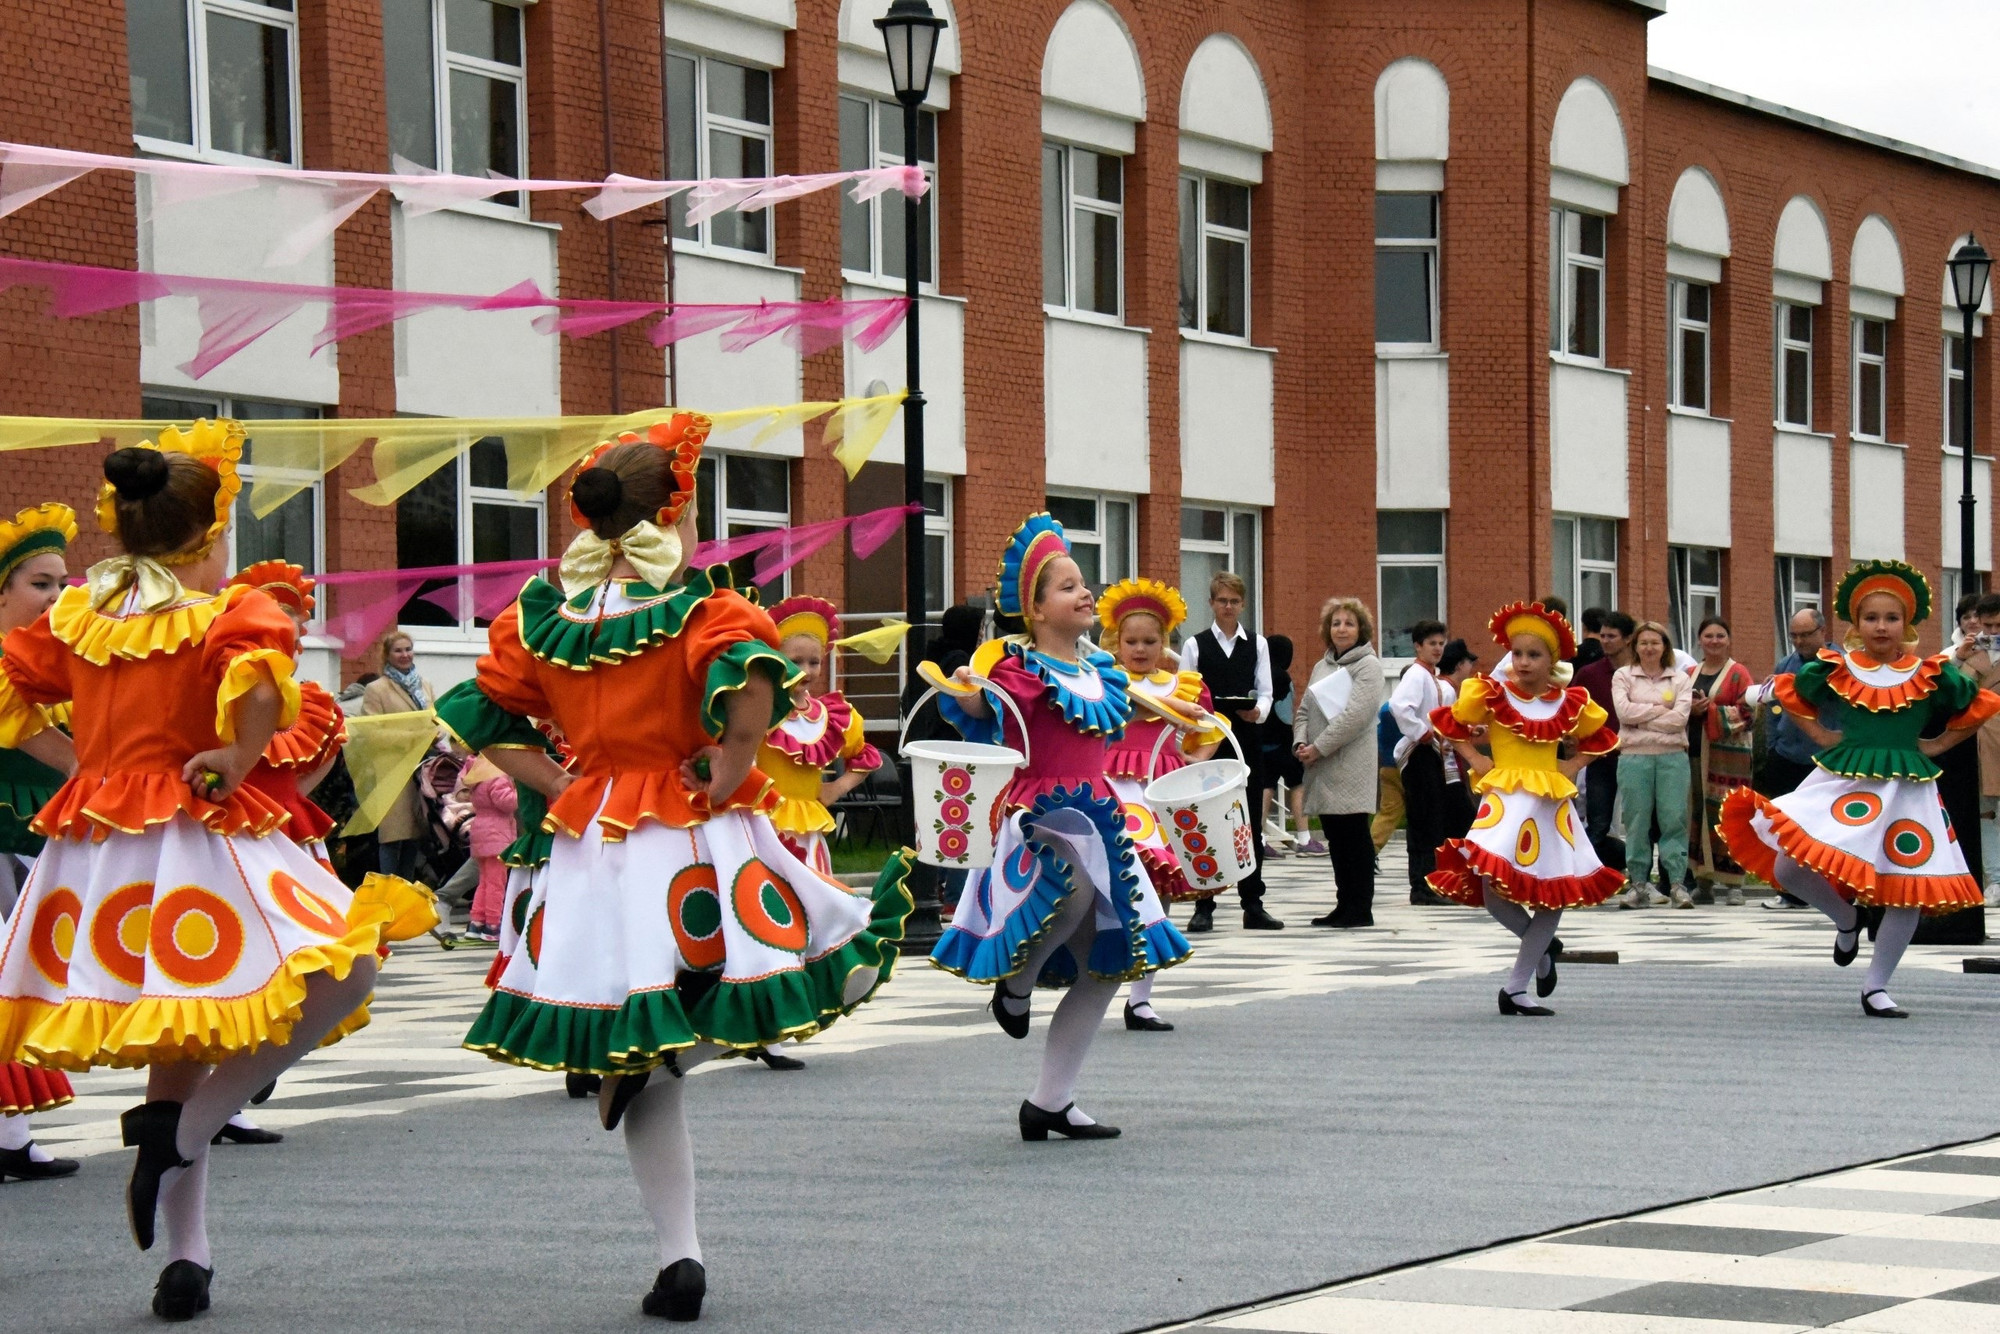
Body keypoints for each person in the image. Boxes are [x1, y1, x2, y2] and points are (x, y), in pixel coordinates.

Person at [437, 413, 911, 1319]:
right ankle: (672, 1163)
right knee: (790, 957)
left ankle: (680, 1254)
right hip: (690, 835)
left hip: (595, 836)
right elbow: (751, 700)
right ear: (678, 508)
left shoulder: (551, 610)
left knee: (639, 1030)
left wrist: (557, 777)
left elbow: (485, 710)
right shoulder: (703, 606)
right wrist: (727, 774)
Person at [0, 423, 433, 1318]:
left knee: (182, 1044)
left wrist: (76, 760)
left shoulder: (81, 615)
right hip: (199, 838)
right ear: (207, 536)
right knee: (342, 969)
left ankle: (186, 1248)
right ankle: (185, 1140)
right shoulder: (223, 612)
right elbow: (264, 685)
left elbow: (9, 682)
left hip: (107, 852)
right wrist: (234, 757)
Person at [929, 514, 1192, 1141]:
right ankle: (1015, 987)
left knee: (1108, 966)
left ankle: (1050, 1100)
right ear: (1037, 611)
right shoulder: (1018, 671)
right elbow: (971, 704)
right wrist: (966, 687)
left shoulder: (1100, 670)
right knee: (1070, 888)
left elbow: (1151, 701)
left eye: (1083, 583)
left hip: (1099, 815)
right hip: (1041, 814)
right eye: (1067, 586)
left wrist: (1187, 713)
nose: (1084, 593)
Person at [1717, 560, 1997, 1017]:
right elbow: (1790, 694)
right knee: (1789, 867)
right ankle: (1846, 917)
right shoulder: (1837, 668)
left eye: (1891, 618)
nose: (1881, 626)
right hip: (1844, 777)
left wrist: (1939, 742)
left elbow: (1975, 705)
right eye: (1871, 618)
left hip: (1907, 785)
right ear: (1855, 624)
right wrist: (1822, 736)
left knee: (1907, 886)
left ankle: (1876, 985)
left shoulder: (1929, 673)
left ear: (1907, 623)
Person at [1430, 601, 1622, 1015]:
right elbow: (1450, 724)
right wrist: (1477, 760)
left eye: (1533, 655)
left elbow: (1601, 736)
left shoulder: (1567, 701)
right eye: (1517, 654)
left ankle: (1516, 987)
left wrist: (1572, 763)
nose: (1523, 662)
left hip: (1549, 805)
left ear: (1552, 659)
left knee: (1552, 895)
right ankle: (1543, 949)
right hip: (1503, 802)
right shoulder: (1494, 694)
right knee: (1491, 886)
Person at [1095, 578, 1223, 1032]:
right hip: (1111, 784)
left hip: (1163, 787)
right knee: (1108, 878)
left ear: (1164, 642)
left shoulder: (1183, 684)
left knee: (1160, 886)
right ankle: (1094, 972)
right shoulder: (1104, 682)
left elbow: (1209, 730)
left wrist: (1195, 759)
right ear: (1116, 641)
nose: (1140, 649)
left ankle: (1141, 998)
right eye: (1131, 641)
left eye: (1150, 641)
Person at [0, 503, 79, 1183]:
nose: (56, 596)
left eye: (61, 583)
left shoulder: (59, 665)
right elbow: (60, 753)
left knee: (24, 978)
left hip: (33, 832)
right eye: (39, 583)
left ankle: (10, 1130)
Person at [1184, 572, 1284, 932]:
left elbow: (1267, 691)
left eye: (1235, 601)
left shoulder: (1256, 644)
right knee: (1204, 820)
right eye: (1222, 600)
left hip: (1245, 739)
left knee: (1249, 820)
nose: (1228, 607)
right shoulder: (1195, 645)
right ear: (1211, 603)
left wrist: (1259, 712)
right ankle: (1204, 904)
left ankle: (1253, 902)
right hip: (1209, 740)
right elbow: (1186, 691)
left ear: (1243, 604)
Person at [757, 595, 883, 878]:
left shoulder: (831, 716)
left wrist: (836, 787)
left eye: (814, 662)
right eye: (794, 661)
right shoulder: (758, 712)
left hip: (808, 830)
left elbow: (864, 756)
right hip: (759, 825)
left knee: (811, 898)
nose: (805, 671)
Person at [1293, 597, 1385, 927]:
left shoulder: (1369, 667)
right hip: (1322, 764)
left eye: (1348, 623)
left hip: (1350, 764)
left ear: (1361, 629)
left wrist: (1319, 747)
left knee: (1354, 836)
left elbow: (1355, 717)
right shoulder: (1323, 666)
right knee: (1335, 836)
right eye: (1335, 623)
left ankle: (1360, 908)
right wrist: (1301, 741)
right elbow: (1304, 709)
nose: (1341, 629)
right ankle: (1343, 903)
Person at [899, 604, 983, 917]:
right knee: (964, 823)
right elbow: (967, 690)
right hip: (953, 749)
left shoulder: (930, 655)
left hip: (926, 748)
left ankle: (936, 884)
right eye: (979, 629)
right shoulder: (959, 659)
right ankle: (955, 895)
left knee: (940, 821)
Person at [1757, 608, 1843, 910]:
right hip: (1787, 754)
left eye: (1805, 634)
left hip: (1827, 756)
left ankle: (1833, 889)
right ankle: (1792, 890)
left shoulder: (1840, 663)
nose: (1799, 641)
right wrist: (1774, 742)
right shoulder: (1786, 664)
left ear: (1822, 631)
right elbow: (1771, 704)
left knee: (1829, 828)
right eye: (1794, 635)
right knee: (1789, 827)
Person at [1609, 622, 1691, 909]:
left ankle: (1677, 883)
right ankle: (1638, 884)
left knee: (1674, 819)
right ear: (1635, 647)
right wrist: (1659, 712)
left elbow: (1679, 719)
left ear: (1665, 647)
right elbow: (1623, 712)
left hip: (1672, 758)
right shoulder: (1623, 676)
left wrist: (1641, 718)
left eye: (1655, 642)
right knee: (1636, 821)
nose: (1649, 648)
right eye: (1643, 643)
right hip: (1634, 757)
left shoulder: (1679, 679)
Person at [1686, 617, 1756, 905]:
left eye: (1720, 636)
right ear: (1699, 640)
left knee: (1728, 815)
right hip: (1695, 751)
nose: (1714, 641)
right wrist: (1690, 709)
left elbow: (1750, 710)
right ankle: (1703, 881)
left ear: (1729, 640)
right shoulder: (1689, 672)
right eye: (1708, 636)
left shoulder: (1739, 673)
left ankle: (1734, 883)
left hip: (1730, 759)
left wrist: (1711, 710)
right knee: (1698, 813)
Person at [361, 629, 437, 884]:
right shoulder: (376, 689)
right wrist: (412, 737)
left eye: (408, 649)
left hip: (421, 769)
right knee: (392, 837)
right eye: (398, 650)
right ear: (387, 655)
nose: (405, 655)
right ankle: (386, 892)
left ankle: (406, 893)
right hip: (392, 772)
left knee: (415, 836)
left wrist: (435, 733)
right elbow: (371, 733)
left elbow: (435, 719)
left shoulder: (425, 684)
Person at [1387, 619, 1452, 903]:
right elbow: (1399, 706)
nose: (1437, 649)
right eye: (1432, 644)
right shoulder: (1416, 674)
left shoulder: (1429, 676)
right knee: (1424, 819)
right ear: (1418, 646)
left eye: (1441, 643)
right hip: (1418, 753)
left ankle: (1430, 882)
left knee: (1432, 818)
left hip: (1430, 751)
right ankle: (1422, 885)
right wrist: (1422, 732)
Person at [1573, 610, 1635, 848]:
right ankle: (1592, 876)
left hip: (1637, 754)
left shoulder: (1641, 673)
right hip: (1601, 757)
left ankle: (1641, 876)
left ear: (1628, 639)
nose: (1605, 641)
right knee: (1598, 821)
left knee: (1640, 821)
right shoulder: (1590, 673)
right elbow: (1571, 707)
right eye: (1603, 636)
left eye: (1612, 636)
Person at [458, 756, 515, 942]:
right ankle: (493, 924)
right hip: (497, 834)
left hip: (481, 832)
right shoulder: (496, 775)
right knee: (497, 883)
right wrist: (519, 791)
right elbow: (506, 803)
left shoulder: (477, 775)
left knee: (484, 881)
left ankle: (477, 922)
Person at [1434, 639, 1482, 850]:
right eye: (1469, 663)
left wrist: (1469, 730)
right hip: (1447, 765)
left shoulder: (1444, 687)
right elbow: (1445, 728)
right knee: (1464, 823)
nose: (1471, 668)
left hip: (1446, 764)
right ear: (1460, 665)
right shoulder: (1448, 690)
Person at [1970, 594, 2000, 905]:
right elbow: (1952, 687)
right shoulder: (1968, 652)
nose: (1993, 632)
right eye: (1987, 625)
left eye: (1998, 625)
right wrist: (1962, 656)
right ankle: (1995, 879)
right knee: (1987, 813)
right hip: (1981, 742)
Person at [1370, 701, 1404, 856]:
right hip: (1409, 766)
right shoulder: (1411, 706)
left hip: (1388, 766)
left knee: (1388, 812)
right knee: (1424, 812)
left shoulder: (1385, 707)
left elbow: (1377, 734)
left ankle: (1370, 851)